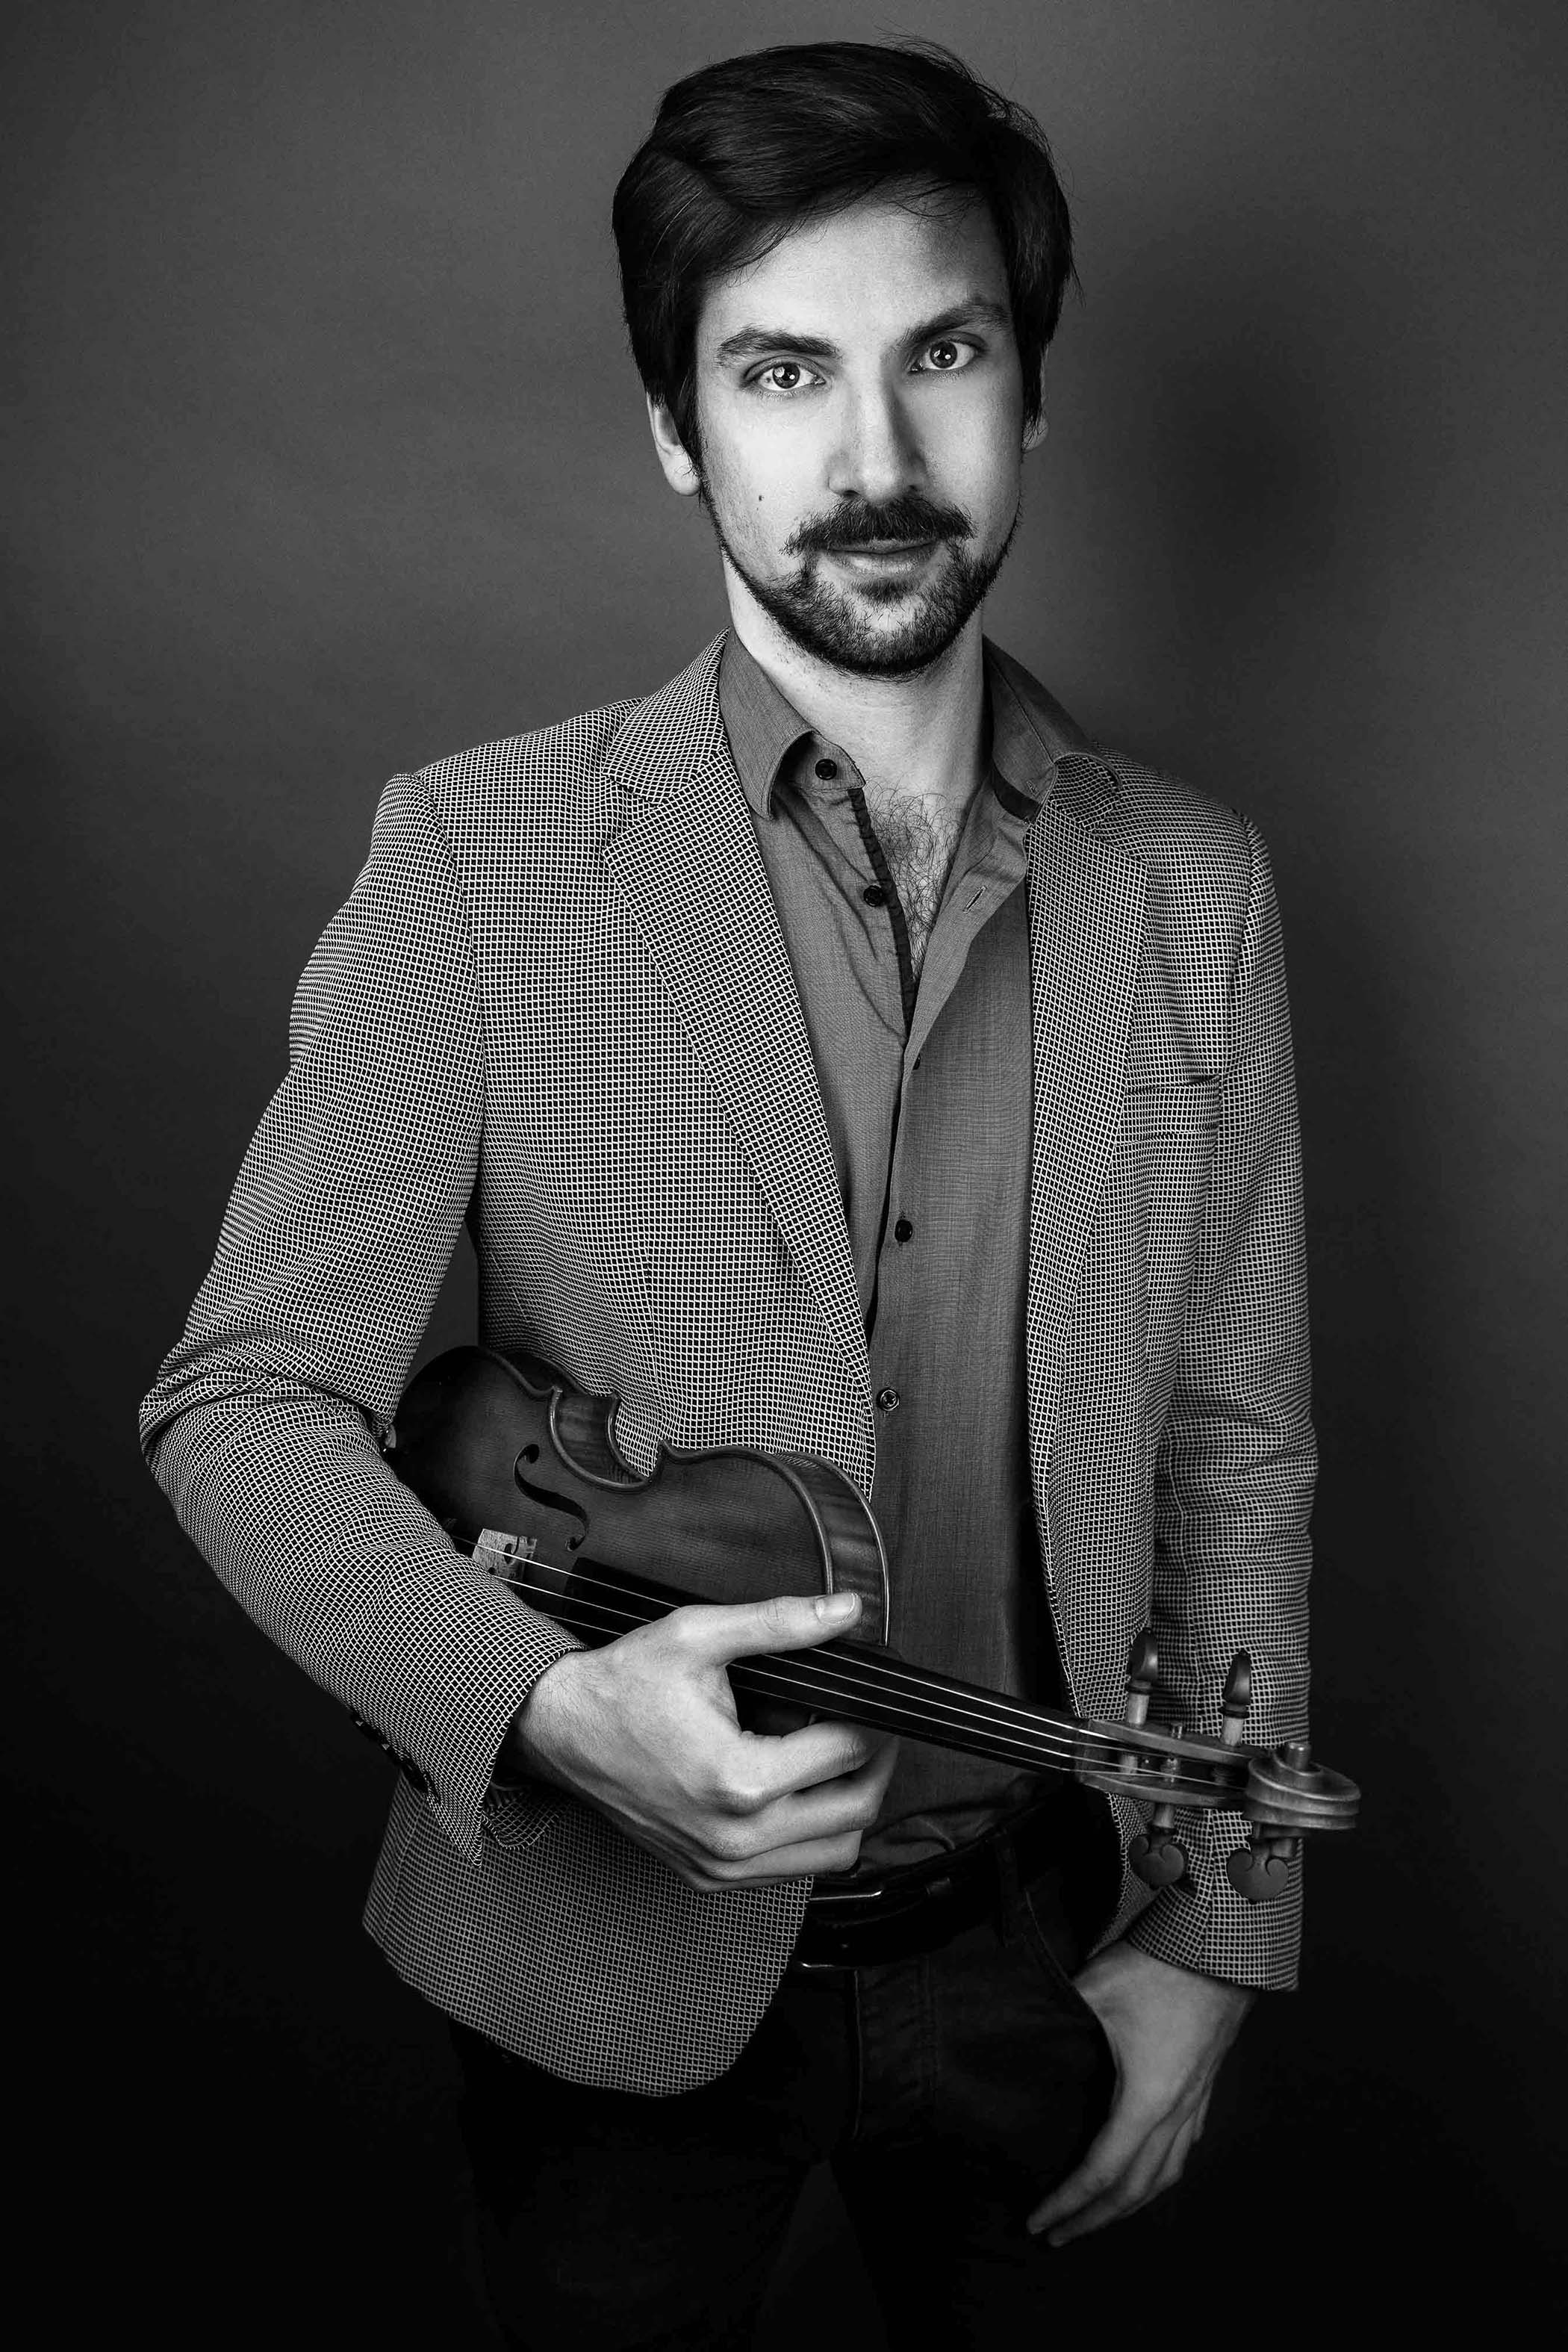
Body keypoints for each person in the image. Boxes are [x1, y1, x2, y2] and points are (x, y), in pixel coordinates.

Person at [140, 39, 1314, 2351]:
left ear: (1029, 394)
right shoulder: (478, 857)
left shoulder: (1198, 890)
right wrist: (547, 1715)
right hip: (594, 1973)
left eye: (942, 355)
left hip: (1036, 1952)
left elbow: (1230, 1445)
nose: (873, 462)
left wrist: (1208, 1936)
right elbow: (245, 1403)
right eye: (780, 374)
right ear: (677, 425)